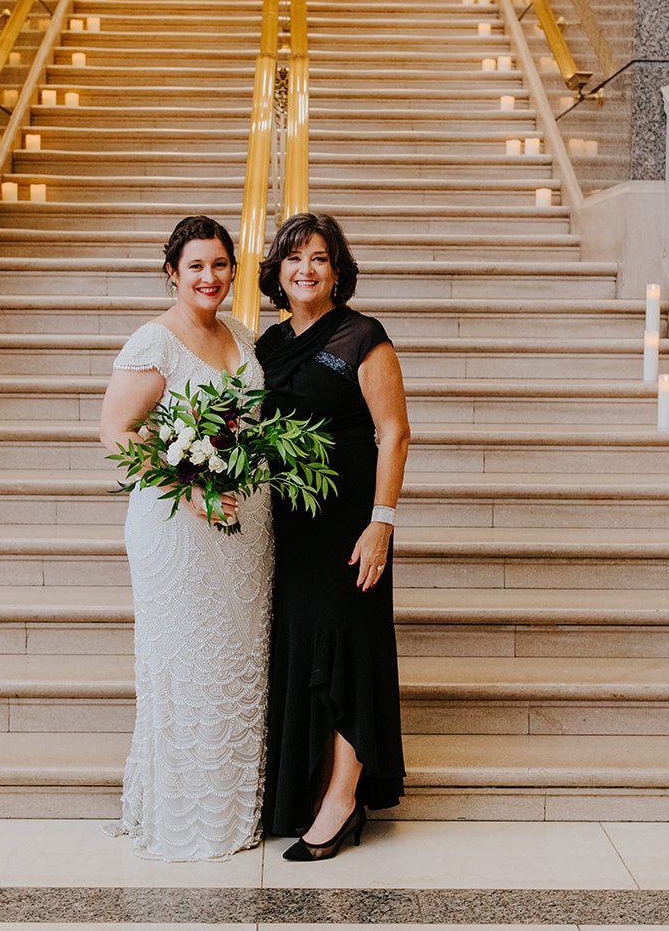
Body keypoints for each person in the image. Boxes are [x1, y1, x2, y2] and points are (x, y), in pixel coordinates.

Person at [97, 215, 273, 861]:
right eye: (196, 266)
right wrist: (189, 486)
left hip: (246, 525)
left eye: (221, 265)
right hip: (178, 526)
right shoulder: (155, 339)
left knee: (235, 661)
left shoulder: (241, 333)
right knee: (187, 662)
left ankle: (233, 808)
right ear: (172, 271)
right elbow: (117, 431)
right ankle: (183, 816)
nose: (210, 277)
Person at [255, 211, 410, 861]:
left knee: (352, 647)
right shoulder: (266, 345)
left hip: (351, 518)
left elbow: (394, 432)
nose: (305, 269)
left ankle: (344, 798)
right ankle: (308, 787)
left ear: (337, 269)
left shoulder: (362, 336)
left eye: (318, 257)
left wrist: (382, 521)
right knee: (302, 647)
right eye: (293, 259)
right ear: (277, 272)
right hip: (289, 522)